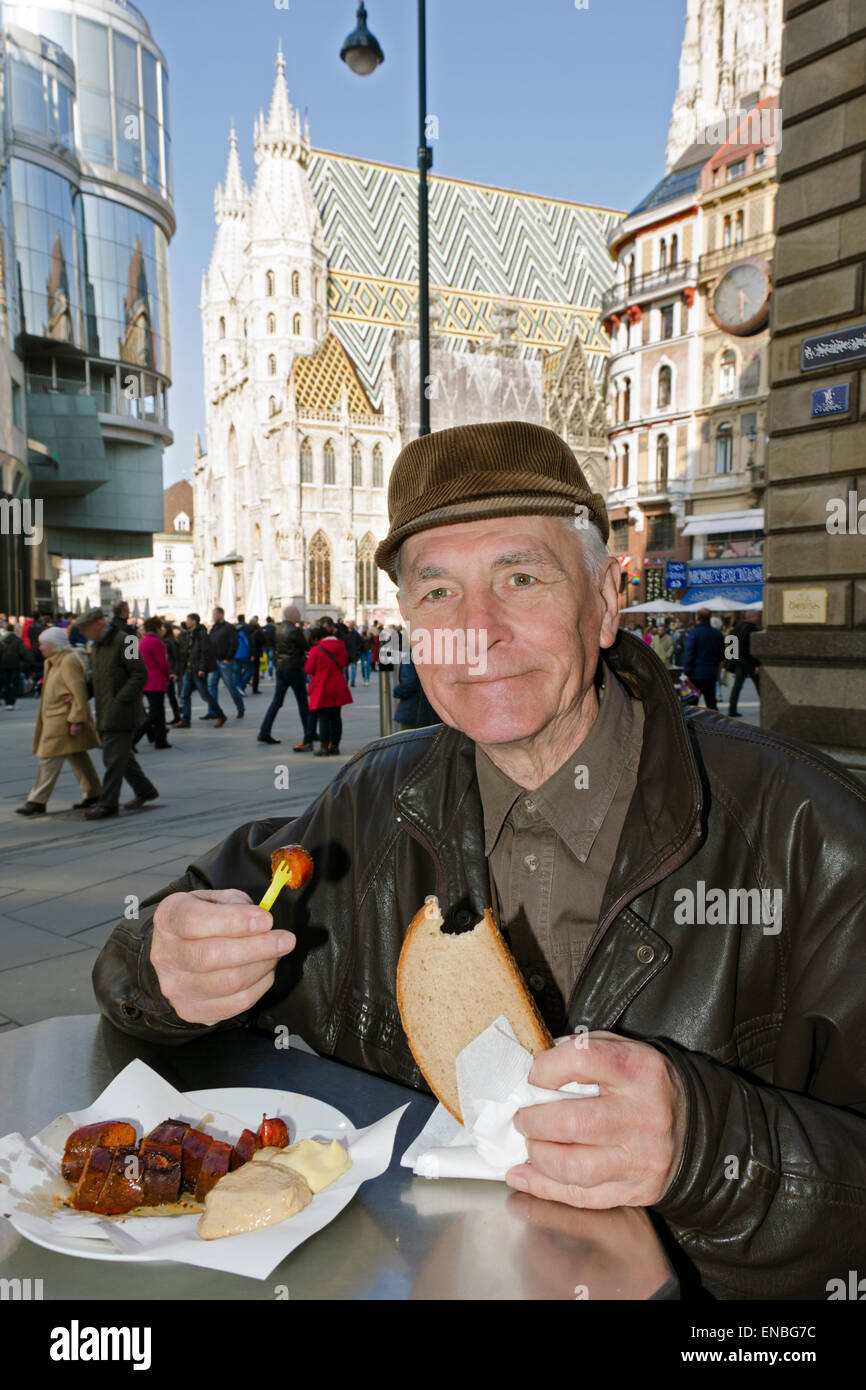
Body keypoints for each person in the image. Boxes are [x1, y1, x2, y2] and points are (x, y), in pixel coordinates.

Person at [93, 419, 866, 1301]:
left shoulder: (806, 829)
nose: (478, 634)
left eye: (521, 578)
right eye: (437, 595)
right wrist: (166, 967)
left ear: (607, 599)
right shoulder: (369, 805)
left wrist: (711, 1150)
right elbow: (142, 959)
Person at [74, 607, 158, 820]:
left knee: (112, 758)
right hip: (105, 711)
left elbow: (140, 674)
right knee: (121, 757)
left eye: (85, 628)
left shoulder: (127, 641)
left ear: (99, 624)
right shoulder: (97, 647)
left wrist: (120, 700)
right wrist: (80, 695)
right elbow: (97, 679)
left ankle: (108, 804)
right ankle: (145, 790)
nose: (82, 633)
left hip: (123, 712)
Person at [15, 626, 102, 815]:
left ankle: (37, 800)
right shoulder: (55, 660)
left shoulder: (68, 661)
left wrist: (77, 720)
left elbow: (78, 692)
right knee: (78, 755)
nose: (40, 648)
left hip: (63, 720)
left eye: (43, 644)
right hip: (58, 717)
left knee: (49, 759)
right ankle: (94, 792)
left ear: (54, 645)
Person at [257, 605, 310, 747]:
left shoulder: (277, 629)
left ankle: (264, 730)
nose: (299, 615)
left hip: (281, 668)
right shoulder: (295, 630)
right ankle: (309, 733)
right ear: (292, 615)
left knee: (277, 701)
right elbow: (305, 647)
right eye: (298, 613)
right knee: (302, 702)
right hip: (294, 668)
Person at [304, 624, 352, 756]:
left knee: (323, 718)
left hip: (322, 687)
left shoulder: (316, 649)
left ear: (317, 638)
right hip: (338, 686)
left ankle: (324, 747)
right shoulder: (340, 646)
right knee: (336, 717)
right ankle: (335, 746)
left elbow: (308, 669)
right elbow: (343, 663)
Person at [177, 613, 225, 727]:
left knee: (204, 694)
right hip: (189, 668)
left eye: (188, 620)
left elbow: (205, 651)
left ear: (194, 621)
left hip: (197, 668)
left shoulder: (201, 633)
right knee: (185, 694)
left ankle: (220, 715)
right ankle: (185, 720)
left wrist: (202, 668)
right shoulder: (189, 633)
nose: (186, 622)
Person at [134, 616, 172, 750]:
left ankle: (160, 740)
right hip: (155, 680)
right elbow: (163, 664)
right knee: (155, 713)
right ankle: (133, 739)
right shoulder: (156, 642)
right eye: (161, 627)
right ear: (156, 628)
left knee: (159, 712)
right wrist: (167, 677)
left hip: (146, 680)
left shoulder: (143, 641)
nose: (163, 630)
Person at [682, 609, 725, 710]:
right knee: (711, 703)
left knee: (691, 705)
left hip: (695, 674)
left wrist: (686, 672)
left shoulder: (694, 633)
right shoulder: (717, 634)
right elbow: (721, 655)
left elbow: (689, 654)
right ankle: (714, 724)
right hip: (711, 673)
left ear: (697, 618)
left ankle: (689, 725)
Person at [209, 606, 244, 718]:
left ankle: (240, 708)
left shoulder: (229, 627)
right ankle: (213, 711)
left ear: (221, 614)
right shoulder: (214, 628)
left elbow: (234, 643)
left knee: (230, 686)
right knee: (211, 686)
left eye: (215, 614)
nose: (213, 616)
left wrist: (228, 658)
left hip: (225, 662)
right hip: (214, 661)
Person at [728, 612, 761, 717]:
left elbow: (730, 642)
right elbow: (754, 648)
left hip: (739, 661)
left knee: (737, 687)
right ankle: (767, 707)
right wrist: (757, 664)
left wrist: (732, 658)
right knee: (760, 686)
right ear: (754, 617)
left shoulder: (737, 627)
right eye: (758, 616)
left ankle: (731, 709)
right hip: (750, 662)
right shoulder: (752, 629)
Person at [0, 621, 27, 708]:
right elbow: (22, 652)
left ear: (5, 630)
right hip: (15, 664)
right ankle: (11, 702)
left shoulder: (2, 640)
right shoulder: (18, 640)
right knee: (14, 683)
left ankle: (7, 701)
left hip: (3, 664)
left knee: (5, 683)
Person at [163, 620, 182, 725]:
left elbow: (176, 658)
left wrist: (175, 672)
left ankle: (177, 716)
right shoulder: (163, 640)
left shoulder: (171, 641)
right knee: (170, 696)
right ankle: (176, 716)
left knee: (171, 696)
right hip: (165, 671)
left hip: (170, 672)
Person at [343, 621, 362, 687]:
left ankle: (351, 681)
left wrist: (357, 651)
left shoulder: (355, 634)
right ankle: (348, 680)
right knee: (347, 669)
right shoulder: (347, 634)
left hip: (353, 654)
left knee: (351, 669)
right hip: (348, 654)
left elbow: (359, 643)